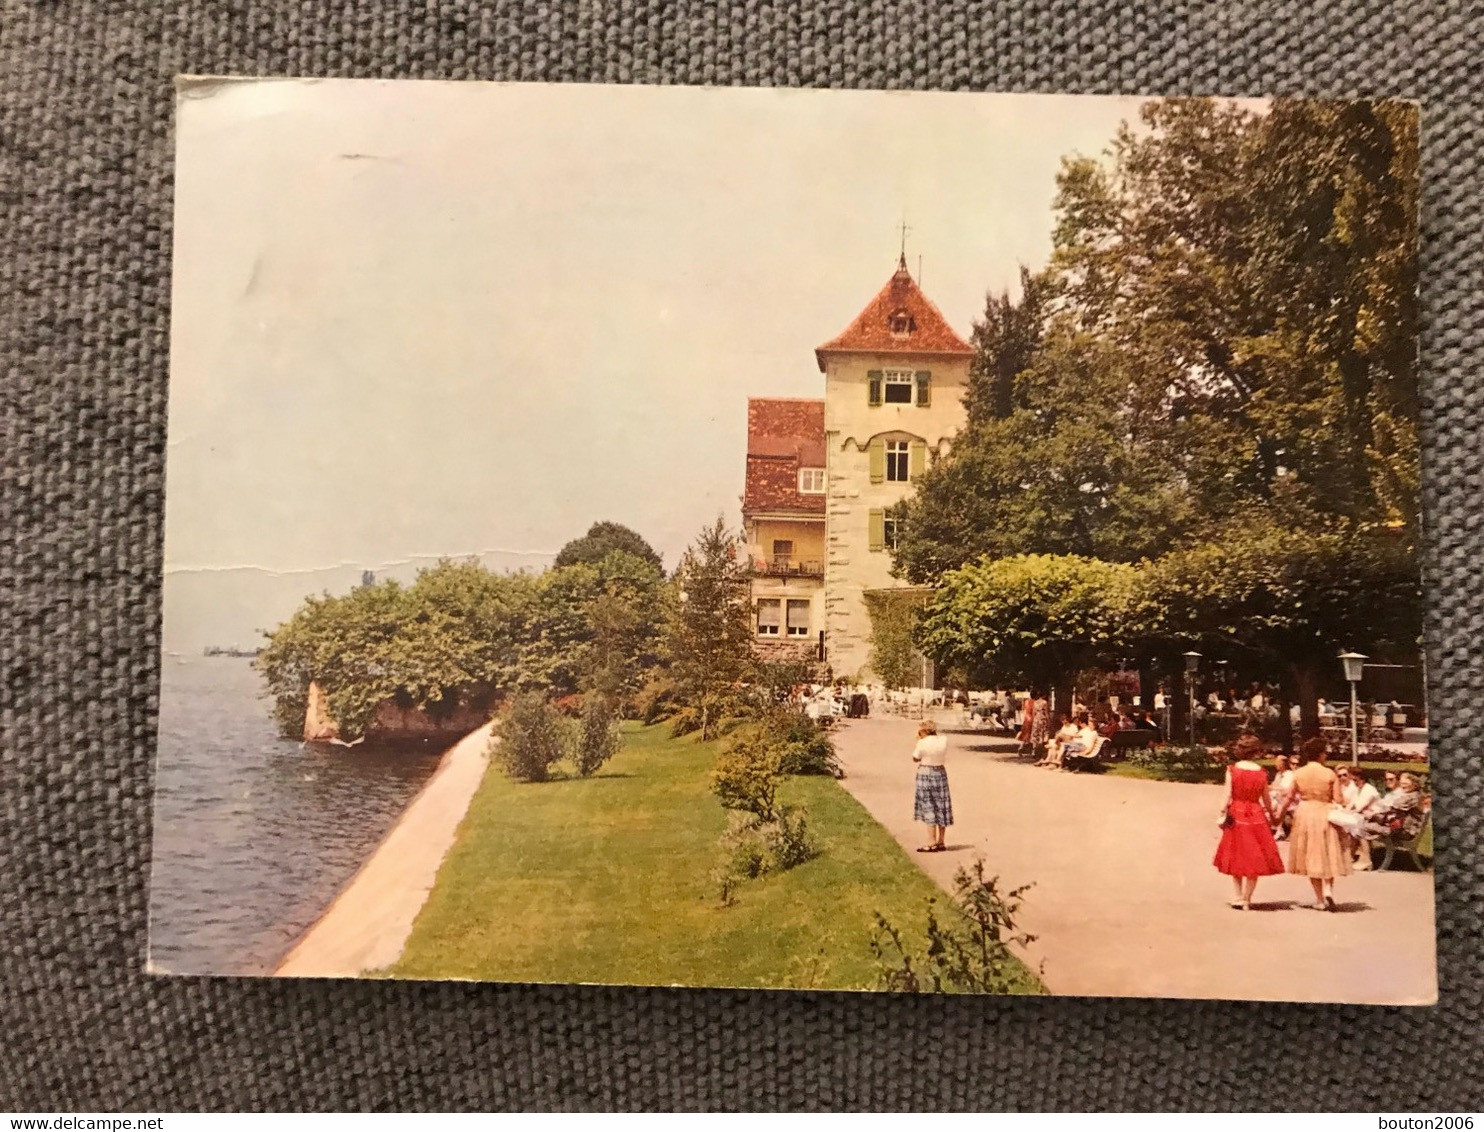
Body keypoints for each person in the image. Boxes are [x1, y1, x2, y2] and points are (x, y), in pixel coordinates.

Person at [1276, 736, 1351, 910]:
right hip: (1324, 811)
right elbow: (1338, 798)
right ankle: (1328, 890)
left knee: (1311, 855)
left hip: (1305, 813)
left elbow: (1288, 797)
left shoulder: (1299, 773)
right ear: (1320, 754)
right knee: (1328, 852)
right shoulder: (1329, 774)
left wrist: (1278, 816)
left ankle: (1319, 899)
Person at [1213, 735, 1285, 909]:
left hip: (1237, 813)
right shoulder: (1261, 772)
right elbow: (1266, 799)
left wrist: (1222, 811)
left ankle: (1237, 896)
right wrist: (1273, 816)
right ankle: (1247, 899)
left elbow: (1227, 794)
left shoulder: (1232, 770)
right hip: (1256, 814)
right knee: (1255, 856)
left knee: (1236, 854)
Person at [911, 719, 952, 853]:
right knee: (941, 804)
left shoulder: (922, 743)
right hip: (940, 772)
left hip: (926, 771)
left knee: (928, 805)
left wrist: (919, 741)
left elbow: (915, 757)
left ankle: (931, 841)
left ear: (924, 731)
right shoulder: (943, 740)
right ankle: (941, 840)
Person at [1361, 771, 1425, 842]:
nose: (1402, 786)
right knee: (1365, 825)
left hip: (1405, 831)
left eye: (1405, 784)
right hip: (1402, 827)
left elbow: (1392, 807)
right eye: (1401, 783)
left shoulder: (1411, 797)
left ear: (1414, 784)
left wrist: (1373, 814)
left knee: (1363, 826)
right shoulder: (1415, 794)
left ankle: (1367, 850)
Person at [1269, 754, 1296, 840]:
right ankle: (1276, 829)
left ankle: (1279, 830)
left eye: (1277, 763)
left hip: (1290, 800)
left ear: (1283, 764)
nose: (1275, 765)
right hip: (1279, 797)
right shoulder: (1278, 774)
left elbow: (1285, 790)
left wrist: (1273, 788)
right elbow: (1274, 786)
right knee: (1273, 802)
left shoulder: (1289, 774)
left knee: (1276, 804)